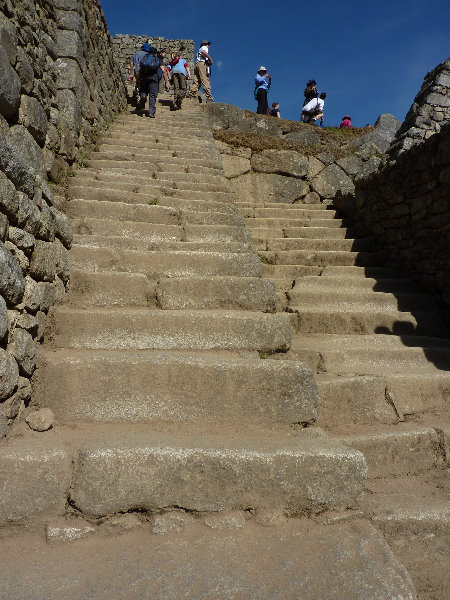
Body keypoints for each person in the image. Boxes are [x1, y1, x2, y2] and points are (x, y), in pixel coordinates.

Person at [137, 44, 169, 118]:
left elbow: (139, 69)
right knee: (152, 95)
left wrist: (138, 81)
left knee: (143, 90)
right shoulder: (158, 59)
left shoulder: (145, 58)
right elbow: (164, 71)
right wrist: (166, 83)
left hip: (144, 77)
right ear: (156, 53)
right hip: (154, 78)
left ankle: (143, 96)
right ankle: (151, 112)